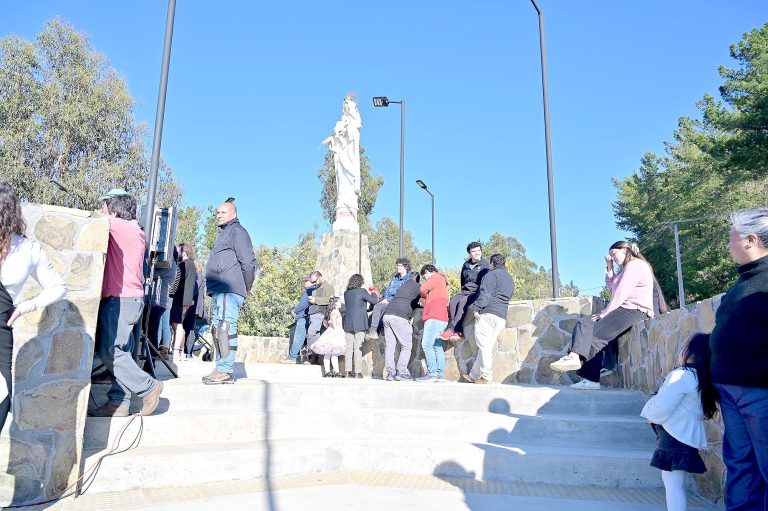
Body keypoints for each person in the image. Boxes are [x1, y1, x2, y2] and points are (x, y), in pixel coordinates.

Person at [709, 207, 768, 510]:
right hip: (731, 392)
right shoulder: (742, 283)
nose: (728, 246)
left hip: (760, 392)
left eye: (731, 239)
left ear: (750, 239)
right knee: (742, 469)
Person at [550, 241, 668, 390]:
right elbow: (613, 288)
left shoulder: (635, 265)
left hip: (635, 311)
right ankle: (574, 357)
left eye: (614, 254)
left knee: (596, 335)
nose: (613, 257)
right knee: (585, 323)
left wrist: (605, 312)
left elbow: (621, 293)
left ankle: (591, 378)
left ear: (625, 250)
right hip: (626, 309)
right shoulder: (625, 269)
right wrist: (610, 268)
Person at [0, 180, 67, 430]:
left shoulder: (28, 249)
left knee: (1, 402)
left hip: (1, 334)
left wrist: (23, 307)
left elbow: (59, 288)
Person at [89, 194, 164, 417]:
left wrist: (99, 214)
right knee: (122, 353)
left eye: (105, 207)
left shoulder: (120, 226)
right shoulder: (134, 229)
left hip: (120, 299)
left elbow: (94, 220)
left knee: (110, 351)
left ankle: (149, 386)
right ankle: (118, 401)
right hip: (129, 299)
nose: (102, 210)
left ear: (113, 212)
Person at [641, 333, 717, 511]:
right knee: (675, 484)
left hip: (674, 435)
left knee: (673, 485)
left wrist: (649, 414)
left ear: (691, 352)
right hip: (683, 434)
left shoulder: (682, 375)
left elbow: (663, 404)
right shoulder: (701, 378)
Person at [203, 201, 256, 385]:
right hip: (219, 290)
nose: (219, 215)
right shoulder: (225, 233)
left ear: (233, 214)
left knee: (225, 328)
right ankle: (220, 368)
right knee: (217, 329)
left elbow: (248, 262)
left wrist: (247, 286)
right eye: (217, 212)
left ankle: (225, 370)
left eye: (223, 212)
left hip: (229, 288)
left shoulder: (237, 231)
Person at [462, 254, 514, 384]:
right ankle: (473, 375)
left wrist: (476, 307)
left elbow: (486, 293)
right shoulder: (509, 278)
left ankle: (486, 375)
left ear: (492, 264)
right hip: (501, 316)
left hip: (488, 314)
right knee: (486, 347)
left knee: (484, 346)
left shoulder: (491, 275)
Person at [441, 242, 490, 341]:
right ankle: (459, 331)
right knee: (453, 302)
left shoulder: (486, 265)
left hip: (477, 291)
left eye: (478, 250)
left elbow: (487, 282)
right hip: (465, 290)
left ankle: (452, 329)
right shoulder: (466, 265)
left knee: (463, 302)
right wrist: (463, 289)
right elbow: (462, 280)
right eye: (474, 251)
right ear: (469, 253)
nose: (477, 253)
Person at [382, 272, 421, 381]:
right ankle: (401, 372)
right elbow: (420, 300)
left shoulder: (402, 285)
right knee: (406, 345)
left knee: (389, 346)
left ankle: (390, 373)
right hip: (400, 316)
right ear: (418, 280)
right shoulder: (418, 287)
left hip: (387, 315)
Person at [416, 264, 450, 382]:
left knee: (426, 344)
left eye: (425, 276)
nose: (425, 279)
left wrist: (424, 295)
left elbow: (422, 289)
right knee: (437, 346)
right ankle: (440, 375)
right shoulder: (442, 281)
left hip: (434, 317)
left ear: (427, 272)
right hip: (442, 318)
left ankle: (432, 374)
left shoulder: (435, 277)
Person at [342, 274, 378, 378]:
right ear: (360, 282)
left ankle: (348, 372)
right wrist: (374, 293)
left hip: (348, 323)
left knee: (348, 348)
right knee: (358, 348)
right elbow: (374, 301)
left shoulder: (346, 293)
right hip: (360, 324)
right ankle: (358, 372)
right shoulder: (362, 291)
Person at [368, 258, 413, 337]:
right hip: (388, 300)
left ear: (406, 267)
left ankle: (378, 330)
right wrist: (385, 298)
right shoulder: (395, 278)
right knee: (377, 306)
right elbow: (388, 290)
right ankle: (373, 330)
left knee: (385, 309)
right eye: (397, 265)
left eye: (400, 266)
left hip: (398, 302)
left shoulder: (409, 278)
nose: (397, 267)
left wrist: (389, 300)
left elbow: (402, 293)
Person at [170, 243, 198, 361]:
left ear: (184, 252)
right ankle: (180, 351)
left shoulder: (184, 265)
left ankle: (176, 351)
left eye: (179, 251)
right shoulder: (191, 265)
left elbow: (178, 281)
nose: (177, 253)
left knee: (178, 325)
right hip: (185, 300)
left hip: (181, 300)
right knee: (179, 325)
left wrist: (171, 293)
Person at [280, 275, 314, 364]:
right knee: (309, 339)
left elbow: (303, 304)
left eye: (306, 281)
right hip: (311, 317)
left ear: (310, 281)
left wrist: (294, 311)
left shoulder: (309, 290)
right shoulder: (316, 290)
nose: (304, 283)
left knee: (299, 337)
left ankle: (292, 357)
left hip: (304, 317)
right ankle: (309, 359)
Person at [310, 297, 345, 377]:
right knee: (333, 353)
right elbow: (333, 320)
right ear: (335, 303)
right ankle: (334, 371)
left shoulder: (331, 311)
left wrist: (330, 327)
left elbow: (325, 322)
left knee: (329, 353)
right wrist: (336, 329)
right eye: (339, 302)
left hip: (331, 331)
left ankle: (328, 371)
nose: (340, 303)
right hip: (335, 332)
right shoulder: (335, 312)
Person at [306, 271, 335, 350]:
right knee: (316, 336)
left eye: (315, 281)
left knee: (310, 333)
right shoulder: (315, 288)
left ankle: (310, 355)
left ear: (320, 277)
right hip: (313, 314)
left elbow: (331, 300)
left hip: (320, 314)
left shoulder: (328, 287)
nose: (314, 283)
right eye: (312, 282)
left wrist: (315, 300)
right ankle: (314, 357)